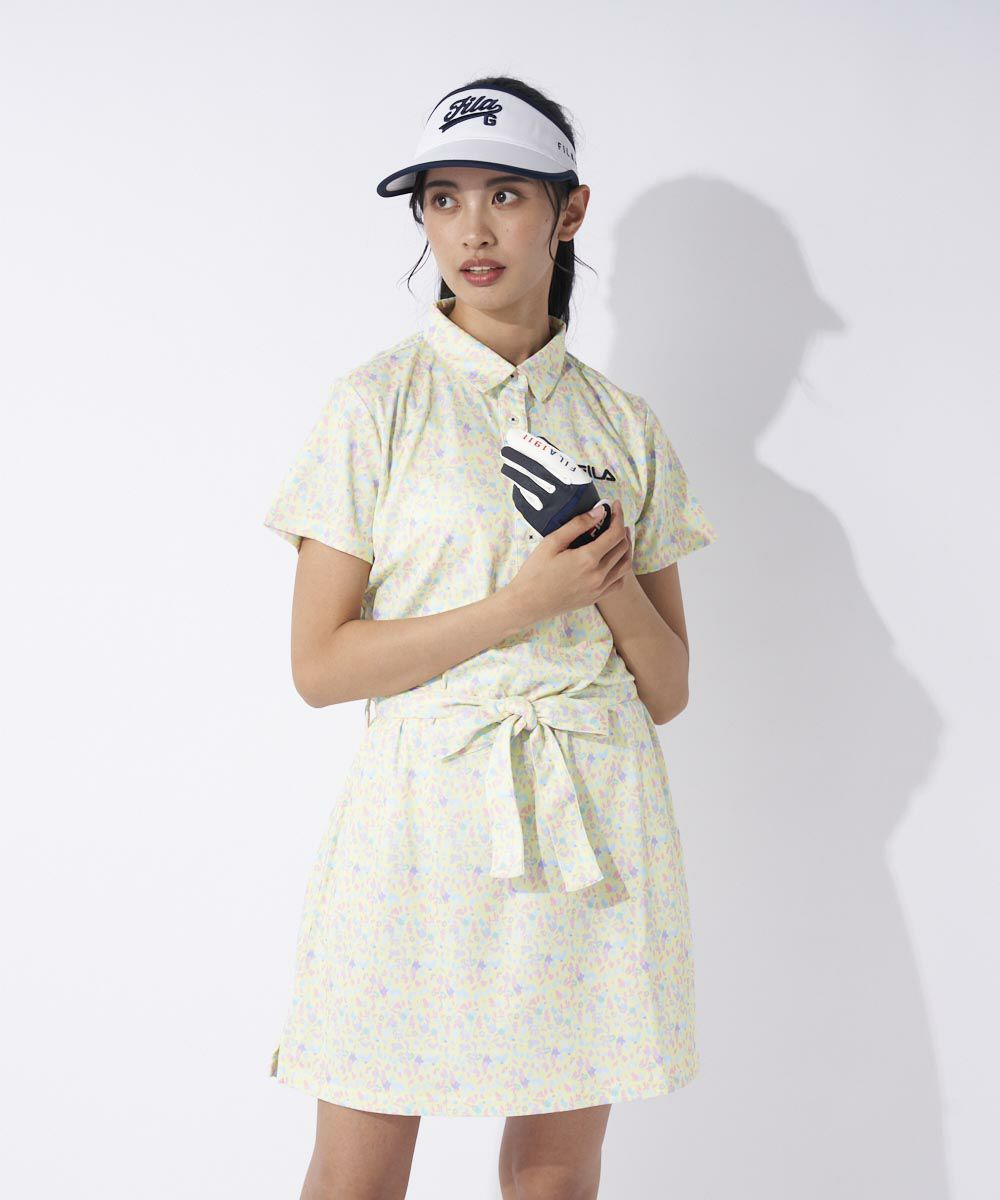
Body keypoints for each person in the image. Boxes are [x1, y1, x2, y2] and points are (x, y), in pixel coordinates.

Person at [262, 75, 718, 1200]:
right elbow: (320, 666)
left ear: (569, 211)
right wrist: (520, 603)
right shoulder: (375, 404)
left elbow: (667, 686)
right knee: (358, 1170)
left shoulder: (624, 424)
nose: (471, 228)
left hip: (592, 817)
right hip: (418, 821)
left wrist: (601, 577)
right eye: (442, 197)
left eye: (506, 194)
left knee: (556, 1175)